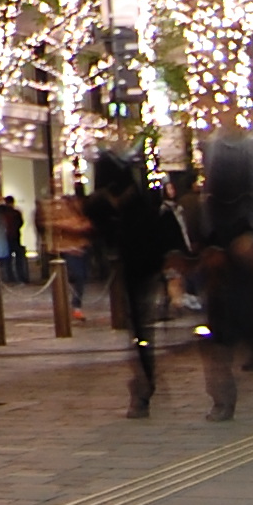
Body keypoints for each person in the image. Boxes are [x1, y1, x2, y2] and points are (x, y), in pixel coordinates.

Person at [194, 133, 253, 420]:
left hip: (240, 262)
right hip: (224, 263)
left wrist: (252, 239)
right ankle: (226, 399)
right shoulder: (217, 182)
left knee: (249, 330)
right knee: (225, 335)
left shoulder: (247, 171)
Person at [86, 151, 179, 417]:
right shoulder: (134, 202)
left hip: (141, 266)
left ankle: (144, 383)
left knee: (140, 326)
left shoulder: (132, 207)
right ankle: (145, 380)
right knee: (139, 327)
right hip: (139, 267)